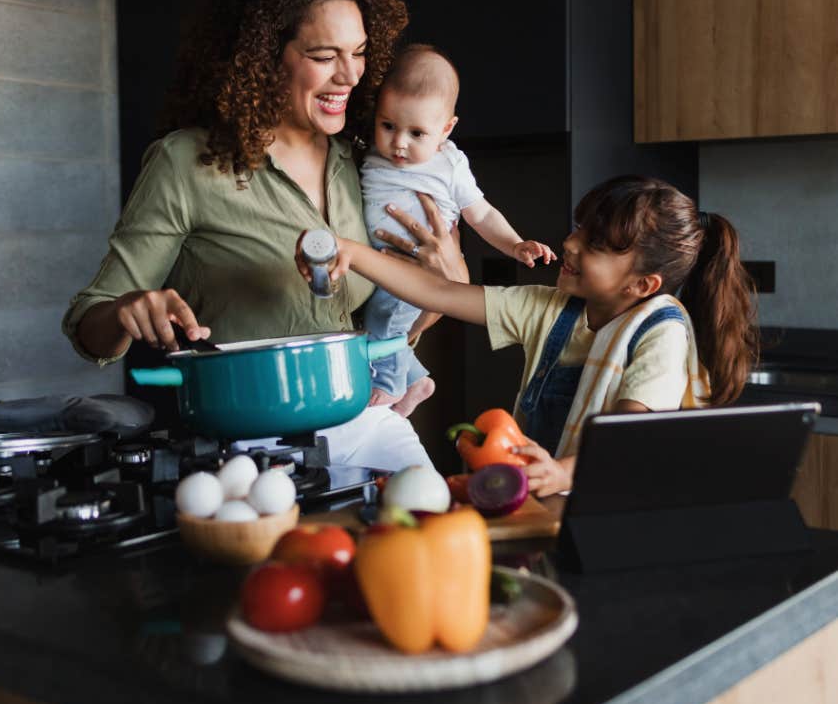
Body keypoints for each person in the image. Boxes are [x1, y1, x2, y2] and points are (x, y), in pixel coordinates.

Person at [61, 0, 467, 471]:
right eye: (324, 56)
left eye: (360, 53)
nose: (350, 76)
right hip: (250, 450)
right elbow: (89, 327)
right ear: (263, 56)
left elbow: (425, 301)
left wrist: (449, 276)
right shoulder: (187, 164)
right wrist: (128, 310)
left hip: (366, 423)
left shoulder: (370, 162)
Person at [297, 176, 759, 495]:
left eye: (594, 245)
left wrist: (561, 474)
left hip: (612, 511)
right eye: (580, 230)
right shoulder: (550, 309)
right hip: (545, 500)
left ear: (641, 286)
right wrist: (351, 252)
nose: (571, 244)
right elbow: (438, 292)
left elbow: (629, 440)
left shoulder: (661, 333)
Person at [359, 44, 555, 409]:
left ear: (446, 129)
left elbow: (480, 214)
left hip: (412, 271)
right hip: (382, 264)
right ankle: (415, 380)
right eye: (388, 125)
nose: (398, 143)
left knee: (382, 324)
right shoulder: (371, 148)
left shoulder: (448, 165)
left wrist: (514, 244)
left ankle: (389, 387)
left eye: (417, 133)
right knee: (383, 327)